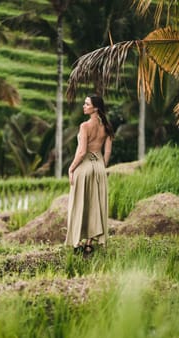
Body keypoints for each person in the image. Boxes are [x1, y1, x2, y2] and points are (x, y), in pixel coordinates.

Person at [66, 94, 114, 255]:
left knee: (80, 204)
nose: (84, 106)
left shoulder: (84, 126)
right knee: (96, 205)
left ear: (96, 108)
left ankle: (77, 242)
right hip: (99, 167)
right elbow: (107, 152)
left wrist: (71, 169)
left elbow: (81, 152)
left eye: (87, 104)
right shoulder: (107, 126)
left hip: (84, 167)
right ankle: (89, 244)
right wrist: (101, 166)